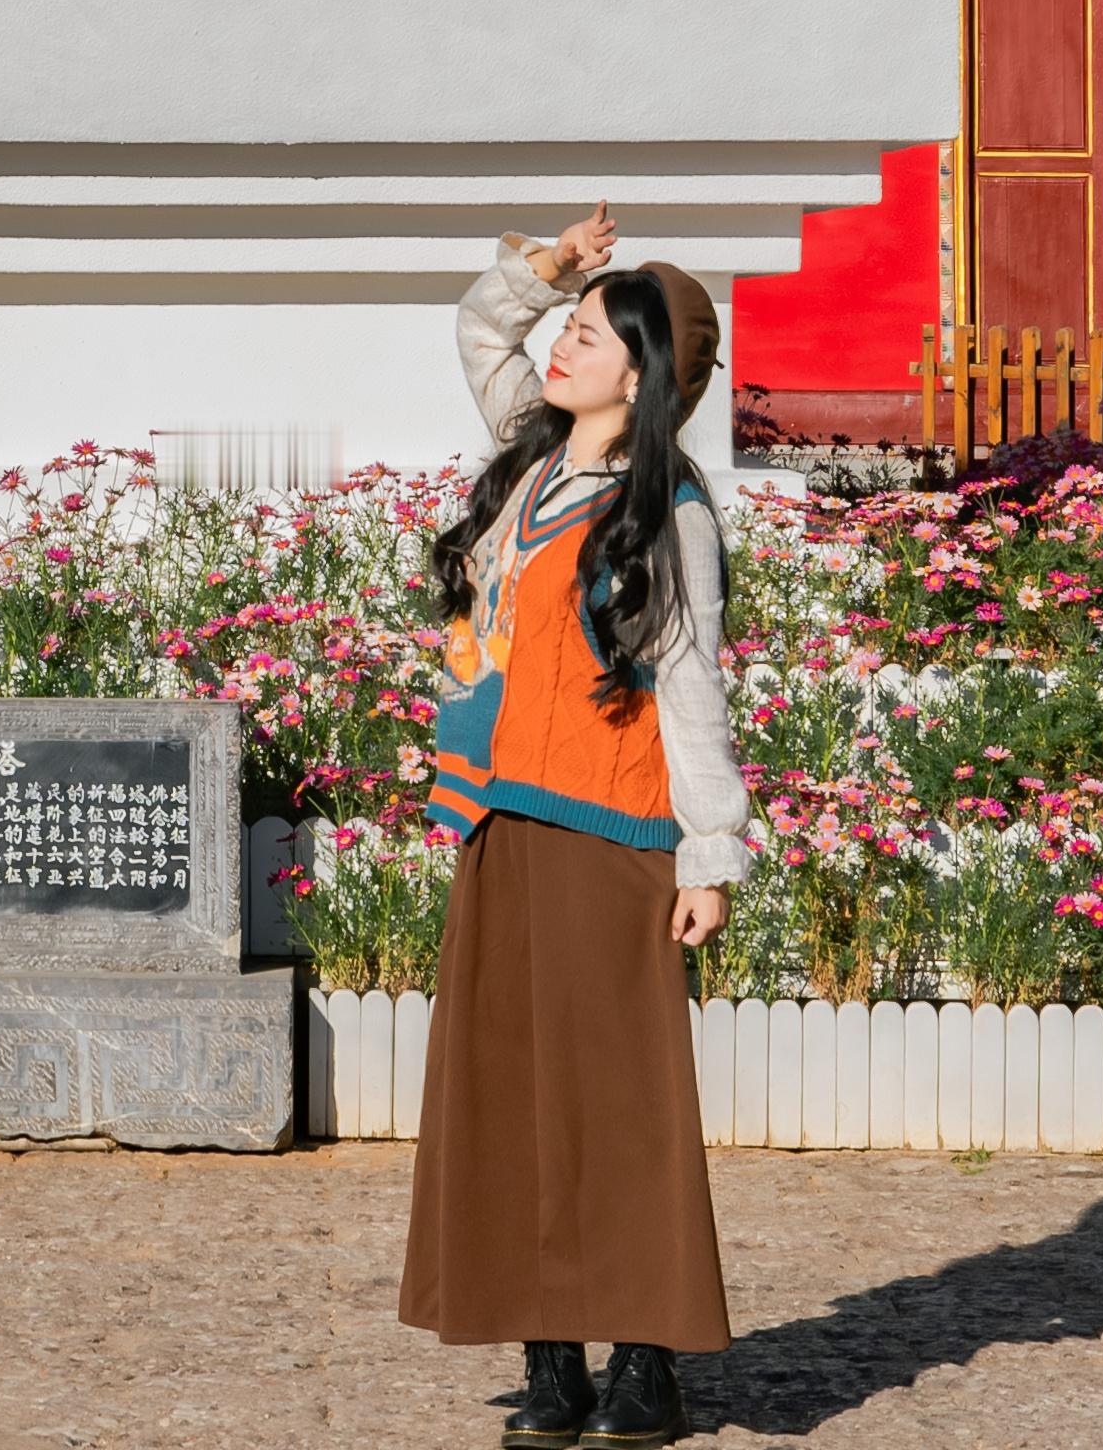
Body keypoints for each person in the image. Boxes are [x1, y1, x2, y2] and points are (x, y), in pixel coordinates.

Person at [396, 203, 750, 1449]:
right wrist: (547, 267)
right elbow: (482, 331)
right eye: (573, 325)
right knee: (511, 1093)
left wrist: (712, 851)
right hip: (502, 820)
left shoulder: (669, 509)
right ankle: (551, 1356)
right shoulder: (531, 461)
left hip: (612, 831)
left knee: (618, 1097)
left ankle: (645, 1357)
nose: (563, 342)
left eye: (591, 334)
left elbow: (692, 679)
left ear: (644, 374)